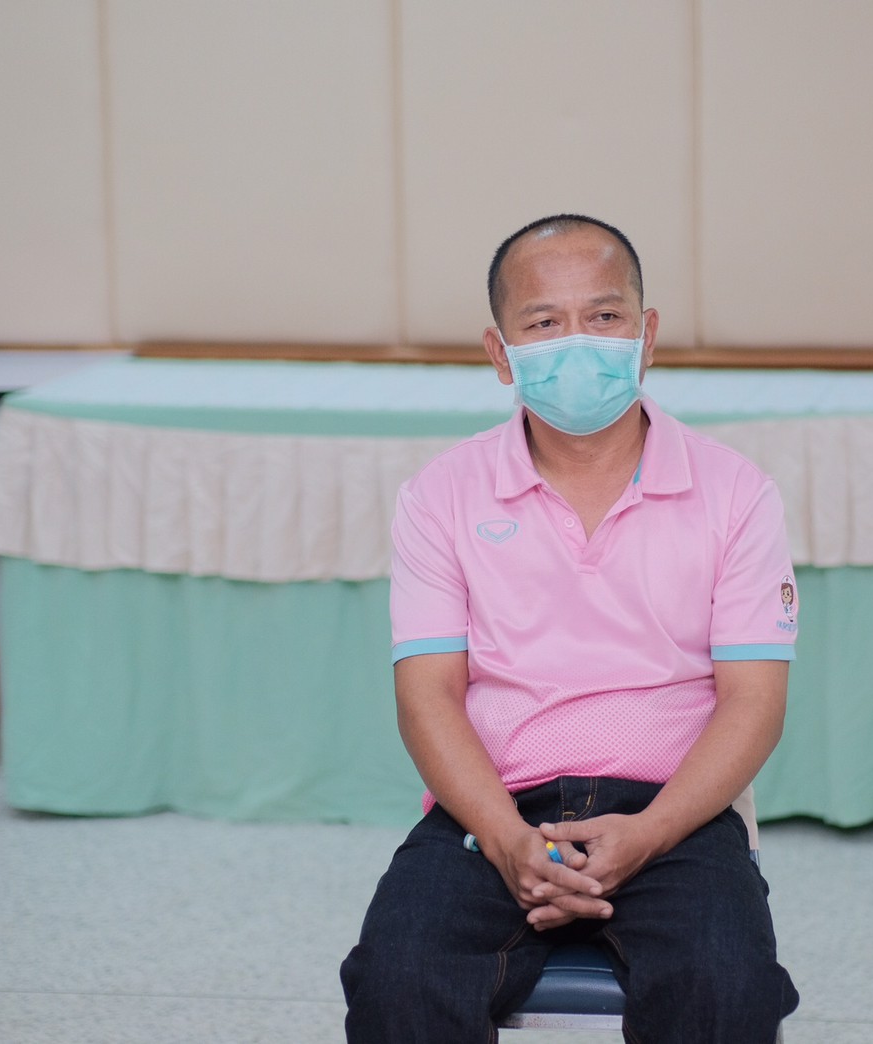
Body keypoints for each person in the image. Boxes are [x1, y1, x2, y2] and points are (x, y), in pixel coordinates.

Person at [340, 214, 800, 1042]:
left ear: (646, 335)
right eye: (545, 322)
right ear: (500, 352)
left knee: (725, 988)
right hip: (489, 811)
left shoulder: (737, 493)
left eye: (604, 315)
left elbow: (754, 701)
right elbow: (427, 698)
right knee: (397, 981)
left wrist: (651, 834)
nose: (578, 342)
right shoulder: (440, 495)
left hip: (676, 812)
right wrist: (507, 840)